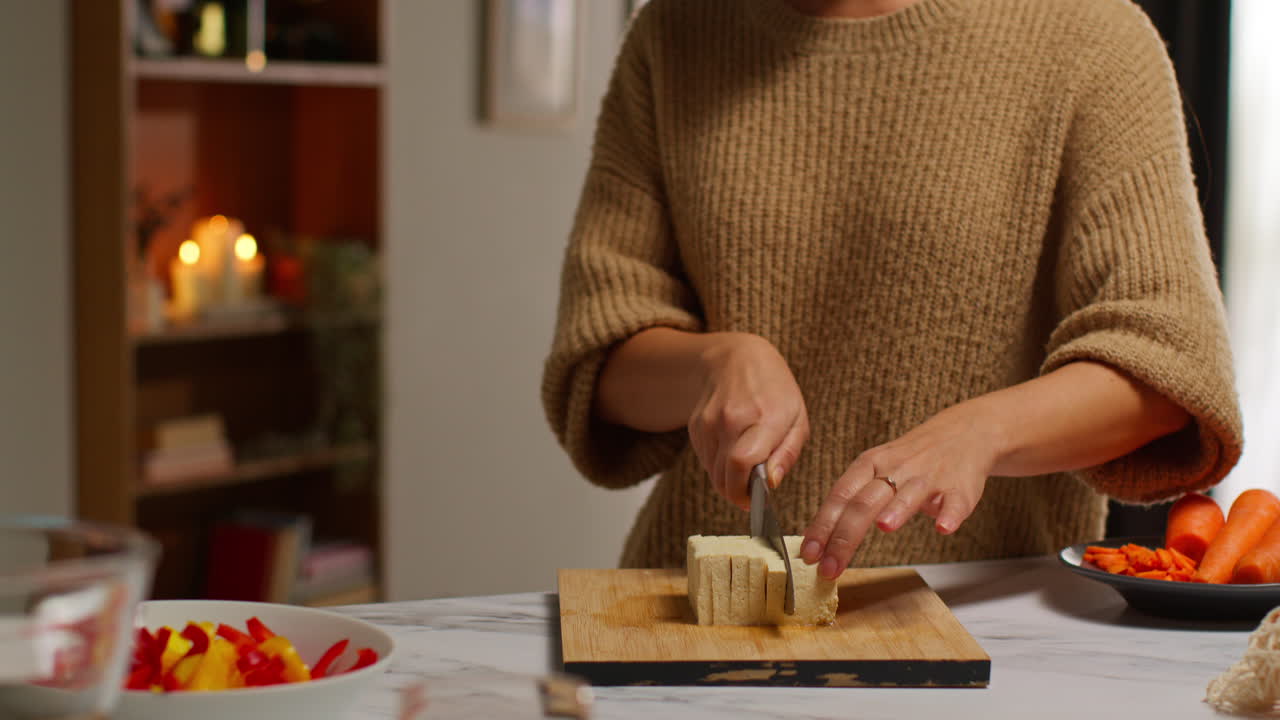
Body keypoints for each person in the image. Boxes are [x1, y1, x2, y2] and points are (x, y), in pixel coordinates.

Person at [541, 0, 1243, 577]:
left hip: (982, 621)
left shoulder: (1090, 35)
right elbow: (599, 362)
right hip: (699, 610)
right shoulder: (674, 32)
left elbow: (1169, 371)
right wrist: (711, 365)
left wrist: (983, 431)